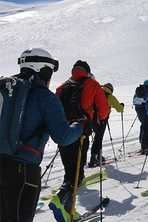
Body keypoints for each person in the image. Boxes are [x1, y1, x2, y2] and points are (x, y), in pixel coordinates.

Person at [0, 48, 85, 222]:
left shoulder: (7, 90)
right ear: (44, 71)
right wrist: (80, 125)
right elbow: (63, 137)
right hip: (24, 172)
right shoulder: (45, 97)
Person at [51, 60, 109, 221]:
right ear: (87, 71)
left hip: (62, 131)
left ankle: (67, 205)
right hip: (80, 132)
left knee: (69, 168)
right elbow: (103, 110)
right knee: (76, 172)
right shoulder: (92, 84)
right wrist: (99, 118)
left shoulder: (62, 87)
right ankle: (61, 202)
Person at [88, 83, 124, 167]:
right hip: (102, 119)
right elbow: (119, 109)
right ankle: (94, 157)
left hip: (93, 118)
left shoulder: (97, 94)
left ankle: (98, 156)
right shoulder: (110, 97)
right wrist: (122, 106)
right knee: (99, 138)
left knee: (97, 137)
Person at [133, 76, 148, 153]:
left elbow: (134, 97)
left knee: (143, 124)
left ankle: (141, 141)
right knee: (146, 126)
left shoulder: (141, 87)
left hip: (138, 107)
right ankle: (144, 146)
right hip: (145, 108)